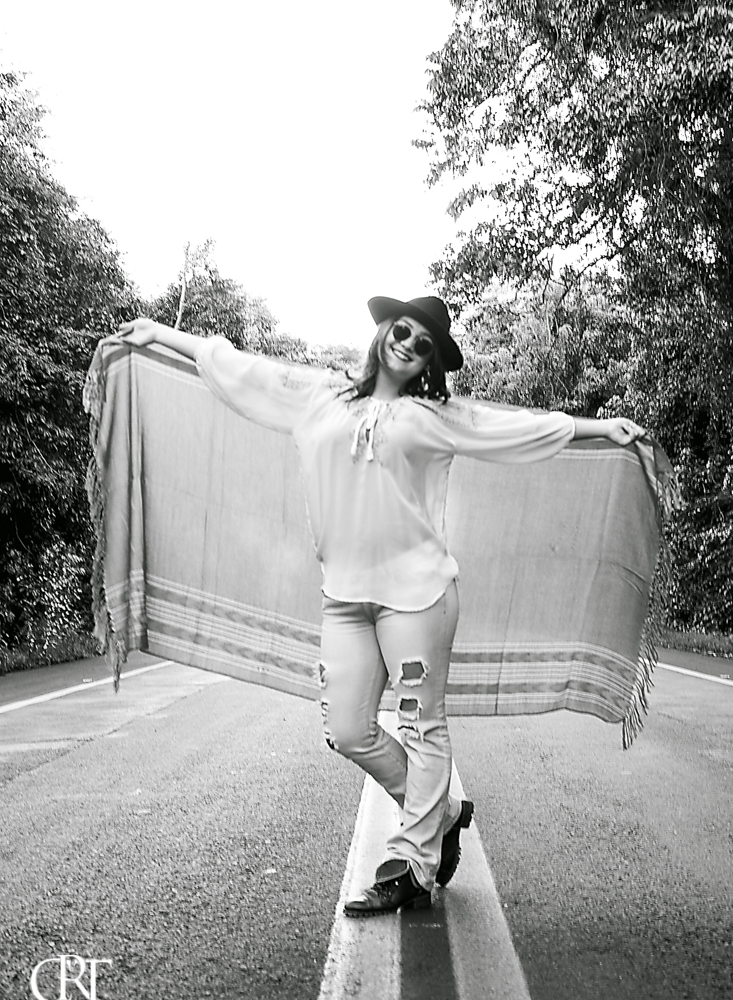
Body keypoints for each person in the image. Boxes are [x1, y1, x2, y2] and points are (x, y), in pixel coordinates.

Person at [118, 295, 644, 917]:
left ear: (430, 362)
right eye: (403, 330)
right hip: (344, 599)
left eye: (424, 344)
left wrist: (601, 429)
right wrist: (158, 332)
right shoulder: (319, 395)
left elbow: (514, 427)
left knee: (421, 725)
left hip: (418, 600)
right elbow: (239, 366)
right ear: (383, 330)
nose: (409, 344)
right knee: (347, 729)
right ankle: (442, 814)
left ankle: (414, 865)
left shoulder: (434, 417)